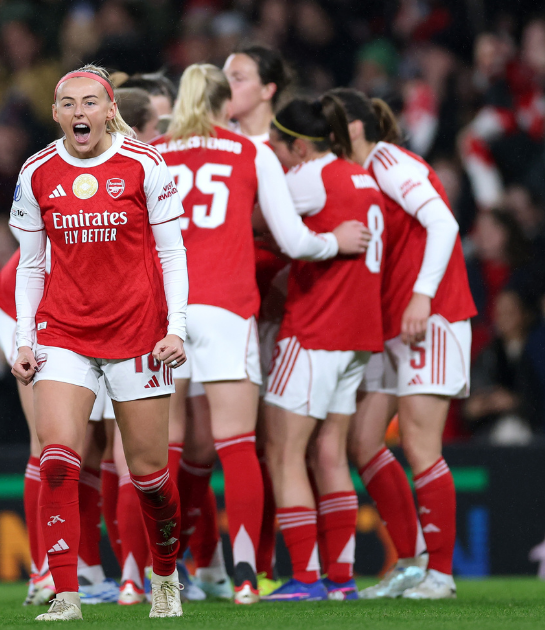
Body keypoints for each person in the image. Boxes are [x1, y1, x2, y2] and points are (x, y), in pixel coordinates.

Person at [152, 64, 371, 604]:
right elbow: (294, 239)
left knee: (166, 448)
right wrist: (335, 242)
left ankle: (155, 576)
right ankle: (246, 575)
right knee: (237, 446)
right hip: (227, 311)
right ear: (228, 105)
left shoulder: (152, 153)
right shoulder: (250, 152)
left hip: (166, 313)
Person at [8, 64, 187, 621]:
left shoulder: (145, 165)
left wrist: (176, 326)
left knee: (151, 477)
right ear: (55, 113)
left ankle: (164, 575)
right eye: (69, 104)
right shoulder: (37, 171)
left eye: (91, 103)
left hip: (139, 332)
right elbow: (31, 266)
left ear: (111, 111)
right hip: (63, 332)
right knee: (58, 459)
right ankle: (66, 594)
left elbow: (172, 253)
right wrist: (24, 338)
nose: (80, 113)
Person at [332, 87, 477, 599]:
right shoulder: (356, 172)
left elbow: (443, 221)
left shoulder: (387, 160)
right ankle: (414, 563)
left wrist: (421, 297)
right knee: (364, 442)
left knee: (419, 445)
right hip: (388, 325)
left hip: (429, 317)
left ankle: (441, 574)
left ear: (353, 127)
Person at [263, 95, 385, 602]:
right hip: (359, 335)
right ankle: (341, 578)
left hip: (316, 331)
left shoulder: (309, 178)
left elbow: (256, 217)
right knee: (331, 453)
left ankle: (307, 578)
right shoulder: (363, 178)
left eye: (276, 143)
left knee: (282, 452)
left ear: (297, 146)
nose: (271, 152)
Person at [0, 250, 119, 606]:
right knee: (46, 441)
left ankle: (87, 568)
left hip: (80, 303)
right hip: (27, 299)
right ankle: (42, 571)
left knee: (90, 439)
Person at [223, 43, 295, 593]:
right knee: (208, 446)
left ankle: (268, 567)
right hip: (230, 310)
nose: (229, 86)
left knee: (274, 446)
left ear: (269, 89)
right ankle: (206, 565)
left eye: (240, 76)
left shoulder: (283, 150)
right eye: (224, 76)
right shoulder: (210, 147)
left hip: (277, 311)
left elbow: (294, 238)